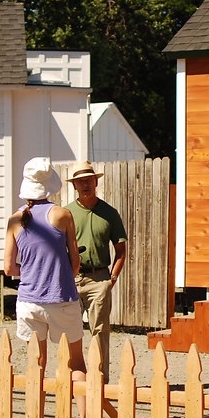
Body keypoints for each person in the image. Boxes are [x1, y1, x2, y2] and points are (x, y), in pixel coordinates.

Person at [3, 156, 87, 418]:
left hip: (29, 299)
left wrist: (29, 271)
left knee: (36, 363)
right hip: (60, 296)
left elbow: (8, 268)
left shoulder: (14, 220)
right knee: (76, 362)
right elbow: (74, 262)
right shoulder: (62, 215)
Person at [64, 160, 127, 383]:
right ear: (74, 186)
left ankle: (100, 381)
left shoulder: (109, 213)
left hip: (99, 278)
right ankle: (73, 380)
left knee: (100, 332)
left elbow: (121, 250)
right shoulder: (66, 213)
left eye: (89, 180)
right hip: (71, 279)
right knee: (69, 331)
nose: (85, 185)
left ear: (96, 183)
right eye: (80, 182)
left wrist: (112, 279)